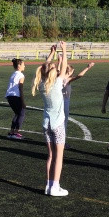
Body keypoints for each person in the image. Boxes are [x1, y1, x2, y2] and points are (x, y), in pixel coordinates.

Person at [32, 42, 69, 196]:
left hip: (46, 124)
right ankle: (55, 187)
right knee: (59, 157)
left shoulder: (41, 84)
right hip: (58, 125)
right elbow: (64, 65)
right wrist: (64, 50)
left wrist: (52, 53)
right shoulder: (57, 83)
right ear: (54, 72)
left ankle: (48, 186)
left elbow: (45, 67)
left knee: (50, 156)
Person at [62, 61, 95, 135]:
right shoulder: (67, 79)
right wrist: (88, 67)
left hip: (57, 101)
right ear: (69, 71)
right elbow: (79, 75)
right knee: (64, 121)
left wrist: (60, 61)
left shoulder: (59, 77)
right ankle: (62, 138)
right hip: (64, 102)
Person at [5, 58, 27, 139]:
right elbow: (20, 88)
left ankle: (11, 132)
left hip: (9, 96)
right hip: (15, 96)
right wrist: (23, 101)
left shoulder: (13, 74)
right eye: (23, 64)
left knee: (17, 113)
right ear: (19, 66)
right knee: (22, 113)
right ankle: (16, 132)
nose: (24, 66)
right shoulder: (21, 75)